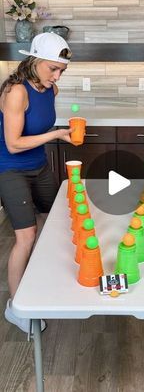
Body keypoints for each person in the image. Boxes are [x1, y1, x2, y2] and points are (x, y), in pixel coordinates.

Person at [0, 32, 74, 333]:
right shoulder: (17, 91)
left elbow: (38, 127)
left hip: (39, 165)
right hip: (11, 169)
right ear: (33, 61)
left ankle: (39, 279)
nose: (57, 76)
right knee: (26, 236)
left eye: (61, 71)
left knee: (52, 221)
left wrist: (60, 132)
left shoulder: (49, 90)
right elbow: (14, 143)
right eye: (52, 69)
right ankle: (16, 308)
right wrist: (57, 134)